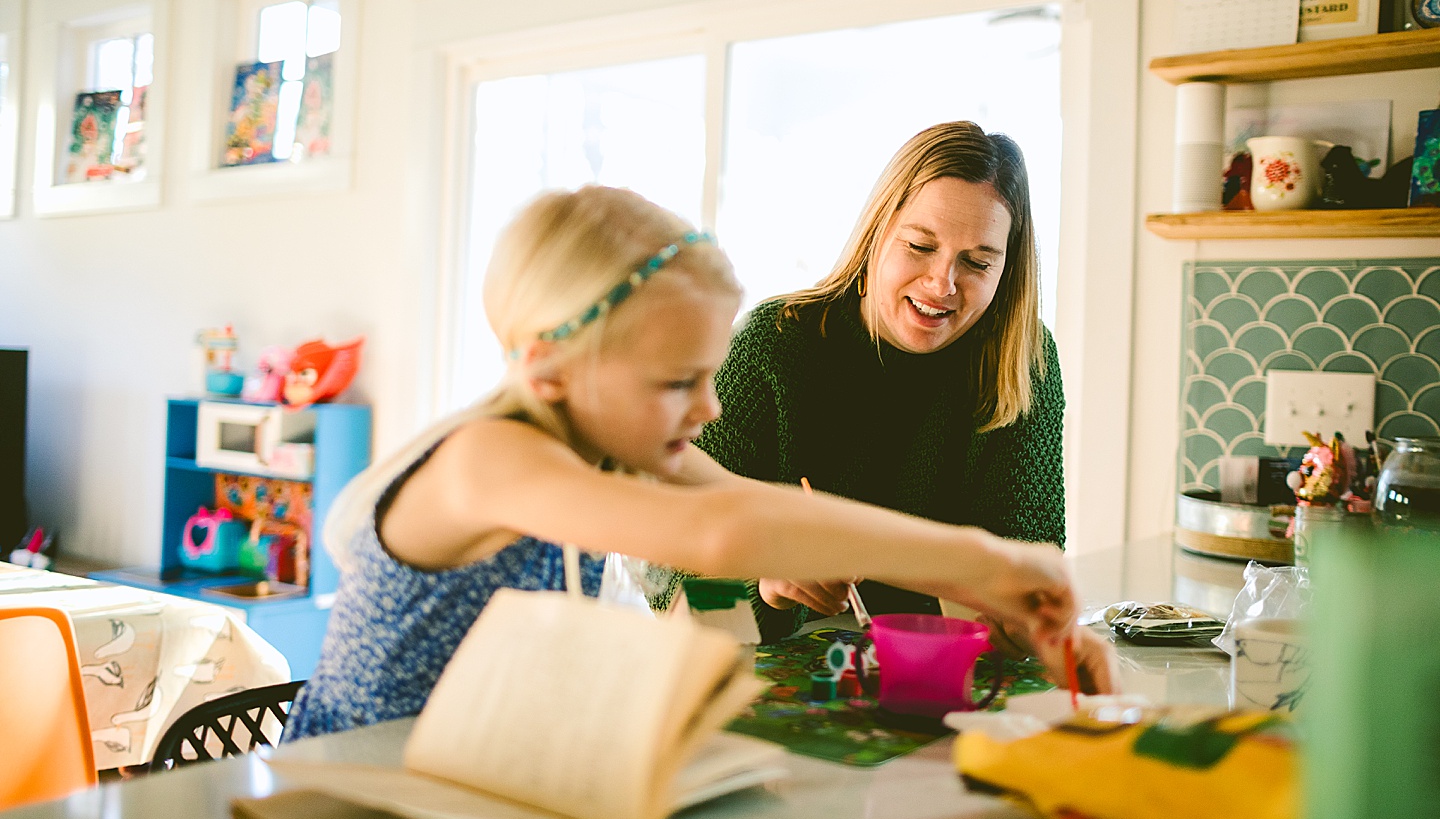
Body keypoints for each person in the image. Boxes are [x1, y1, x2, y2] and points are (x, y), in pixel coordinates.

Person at [284, 186, 1101, 740]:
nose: (709, 408)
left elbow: (781, 515)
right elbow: (722, 531)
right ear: (548, 368)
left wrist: (1007, 596)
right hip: (342, 797)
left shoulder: (601, 441)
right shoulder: (489, 459)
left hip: (457, 780)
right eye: (679, 382)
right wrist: (993, 557)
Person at [695, 121, 1109, 683]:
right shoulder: (775, 342)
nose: (943, 284)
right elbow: (678, 564)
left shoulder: (1023, 359)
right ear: (876, 234)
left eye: (978, 262)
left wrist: (1032, 620)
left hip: (946, 678)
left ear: (1007, 269)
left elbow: (1027, 561)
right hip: (779, 680)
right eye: (919, 246)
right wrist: (765, 580)